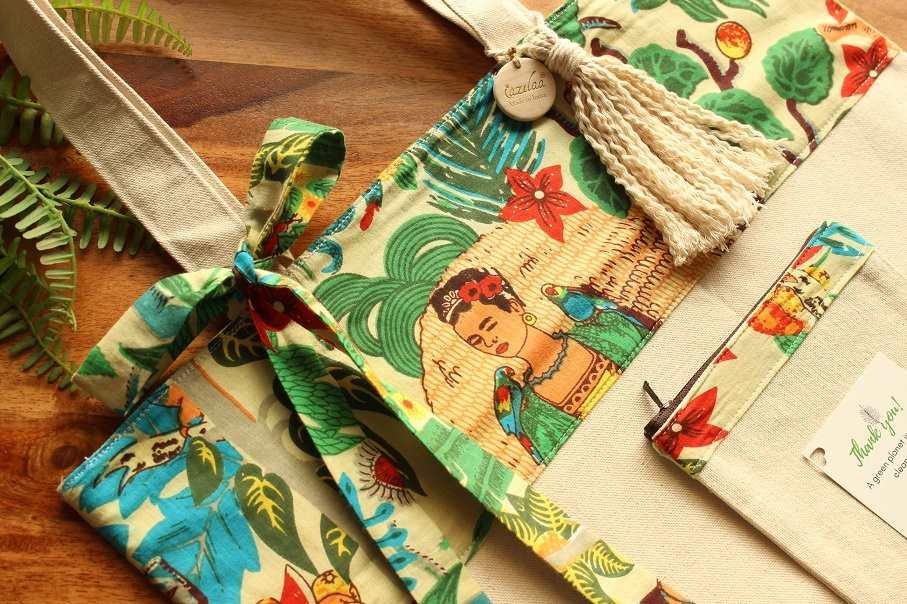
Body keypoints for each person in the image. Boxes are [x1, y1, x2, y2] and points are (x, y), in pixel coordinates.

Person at [429, 267, 653, 464]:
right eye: (476, 341)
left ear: (514, 307)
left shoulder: (606, 325)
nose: (489, 341)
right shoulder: (530, 413)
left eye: (490, 326)